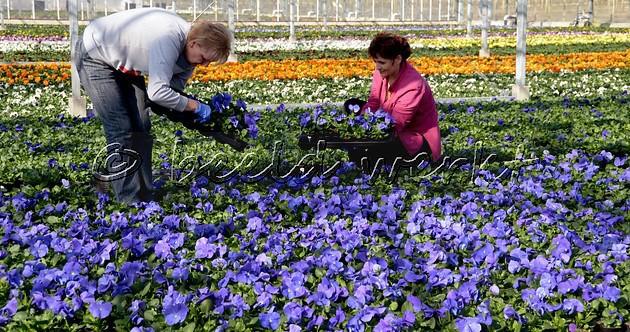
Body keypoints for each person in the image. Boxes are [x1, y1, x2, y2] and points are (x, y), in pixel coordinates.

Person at [74, 8, 231, 203]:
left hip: (126, 62)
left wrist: (196, 117)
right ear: (193, 43)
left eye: (209, 62)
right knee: (121, 128)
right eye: (204, 59)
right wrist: (193, 106)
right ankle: (129, 199)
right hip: (96, 53)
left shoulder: (190, 57)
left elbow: (169, 94)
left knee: (141, 125)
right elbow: (157, 93)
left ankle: (145, 194)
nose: (205, 65)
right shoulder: (169, 38)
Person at [347, 32, 442, 163]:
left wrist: (362, 133)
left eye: (381, 62)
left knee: (363, 152)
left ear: (397, 59)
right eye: (375, 62)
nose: (377, 67)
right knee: (351, 105)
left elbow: (395, 125)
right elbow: (373, 102)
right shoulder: (381, 72)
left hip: (415, 142)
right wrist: (361, 121)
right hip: (388, 123)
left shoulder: (413, 86)